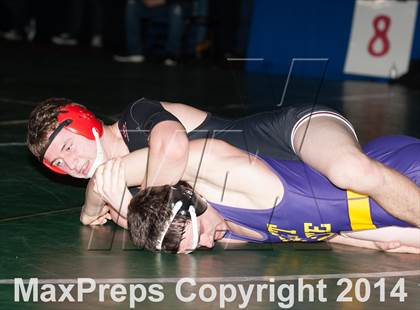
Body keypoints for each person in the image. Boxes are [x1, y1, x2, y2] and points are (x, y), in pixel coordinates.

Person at [26, 97, 420, 227]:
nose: (70, 163)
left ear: (87, 125)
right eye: (57, 162)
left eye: (68, 146)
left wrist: (98, 204)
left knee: (350, 172)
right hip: (283, 193)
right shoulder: (122, 183)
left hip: (288, 133)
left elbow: (174, 146)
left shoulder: (135, 118)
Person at [118, 135, 420, 254]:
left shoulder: (227, 175)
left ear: (192, 202)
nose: (208, 243)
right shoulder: (228, 228)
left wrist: (102, 188)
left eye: (200, 235)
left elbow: (171, 146)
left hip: (400, 175)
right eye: (196, 246)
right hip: (375, 218)